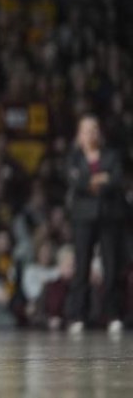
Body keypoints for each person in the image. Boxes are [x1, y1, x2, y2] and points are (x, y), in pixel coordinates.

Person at [64, 114, 126, 335]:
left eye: (94, 129)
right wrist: (100, 179)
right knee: (81, 266)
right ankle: (78, 315)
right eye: (86, 130)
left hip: (109, 217)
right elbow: (75, 181)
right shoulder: (74, 157)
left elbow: (117, 180)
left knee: (111, 267)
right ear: (79, 135)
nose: (91, 133)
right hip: (83, 218)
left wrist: (91, 180)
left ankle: (112, 314)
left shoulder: (111, 155)